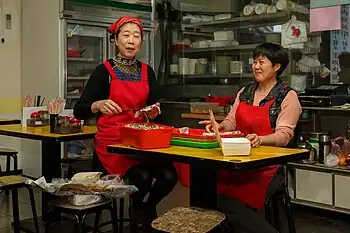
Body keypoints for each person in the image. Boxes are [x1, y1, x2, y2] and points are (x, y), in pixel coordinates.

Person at [73, 16, 178, 231]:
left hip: (140, 141)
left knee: (169, 175)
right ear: (116, 40)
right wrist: (98, 105)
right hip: (113, 145)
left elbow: (157, 104)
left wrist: (153, 110)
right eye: (126, 35)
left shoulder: (147, 71)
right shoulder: (105, 71)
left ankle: (144, 209)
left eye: (136, 36)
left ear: (141, 41)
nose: (131, 41)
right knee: (143, 177)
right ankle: (140, 216)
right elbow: (79, 110)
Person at [200, 43, 302, 233]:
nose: (256, 66)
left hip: (268, 168)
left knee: (231, 206)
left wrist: (261, 140)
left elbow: (284, 136)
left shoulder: (287, 97)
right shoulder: (245, 92)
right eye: (254, 62)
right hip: (238, 162)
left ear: (276, 67)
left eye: (261, 62)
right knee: (210, 196)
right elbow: (232, 120)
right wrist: (221, 127)